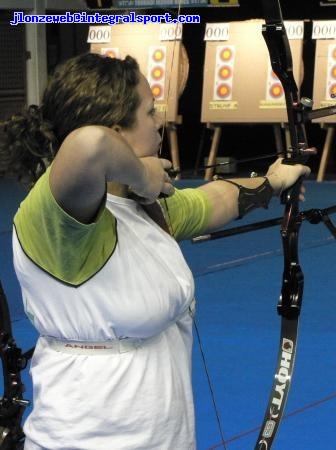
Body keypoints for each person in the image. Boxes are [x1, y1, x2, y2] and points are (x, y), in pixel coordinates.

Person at [0, 52, 310, 449]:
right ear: (117, 131)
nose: (160, 121)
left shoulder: (142, 209)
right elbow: (88, 145)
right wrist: (142, 173)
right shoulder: (56, 220)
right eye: (149, 113)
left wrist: (271, 182)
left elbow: (210, 201)